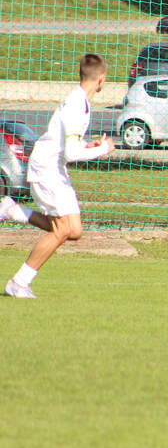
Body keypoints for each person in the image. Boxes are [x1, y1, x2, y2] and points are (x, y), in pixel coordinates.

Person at [2, 53, 115, 299]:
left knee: (74, 230)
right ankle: (19, 283)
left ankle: (13, 210)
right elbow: (71, 153)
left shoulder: (80, 101)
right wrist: (102, 150)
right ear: (101, 79)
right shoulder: (77, 106)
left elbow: (67, 143)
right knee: (62, 229)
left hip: (54, 168)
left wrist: (88, 145)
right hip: (47, 168)